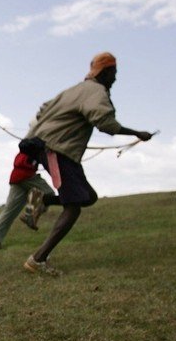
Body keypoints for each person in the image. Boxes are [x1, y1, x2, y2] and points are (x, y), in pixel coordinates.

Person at [22, 52, 153, 275]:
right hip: (56, 150)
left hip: (57, 149)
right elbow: (104, 121)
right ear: (106, 71)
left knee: (88, 197)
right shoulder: (95, 91)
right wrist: (136, 133)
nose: (115, 79)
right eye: (114, 73)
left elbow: (43, 108)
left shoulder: (73, 90)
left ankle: (42, 199)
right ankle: (38, 259)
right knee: (73, 208)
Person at [0, 144, 56, 250]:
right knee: (49, 193)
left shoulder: (28, 143)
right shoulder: (39, 144)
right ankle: (30, 215)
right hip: (27, 174)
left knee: (10, 210)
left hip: (16, 176)